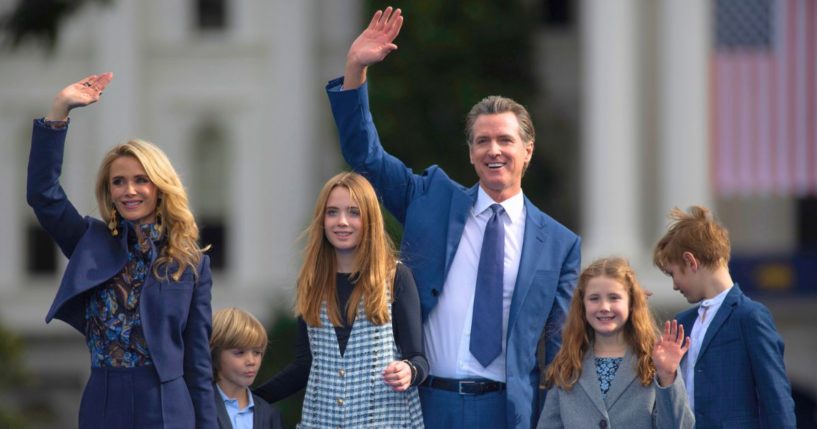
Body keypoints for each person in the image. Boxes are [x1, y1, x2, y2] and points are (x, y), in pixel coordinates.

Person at [325, 7, 581, 429]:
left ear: (528, 150)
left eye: (505, 140)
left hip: (506, 412)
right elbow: (364, 157)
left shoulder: (559, 244)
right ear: (470, 153)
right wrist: (356, 70)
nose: (493, 150)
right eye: (482, 141)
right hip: (421, 403)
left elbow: (561, 350)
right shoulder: (431, 198)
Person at [26, 73, 217, 428]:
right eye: (119, 181)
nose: (130, 190)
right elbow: (43, 195)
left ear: (160, 187)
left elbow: (198, 363)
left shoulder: (191, 263)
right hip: (104, 399)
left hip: (166, 405)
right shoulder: (89, 241)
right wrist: (59, 111)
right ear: (109, 191)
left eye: (141, 179)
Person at [254, 172, 426, 428]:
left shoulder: (396, 277)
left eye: (353, 212)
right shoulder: (312, 282)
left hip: (385, 420)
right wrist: (250, 399)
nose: (342, 221)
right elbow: (305, 365)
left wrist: (409, 371)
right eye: (332, 212)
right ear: (322, 220)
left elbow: (418, 359)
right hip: (320, 421)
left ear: (369, 219)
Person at [653, 206, 797, 428]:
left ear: (690, 261)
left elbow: (776, 398)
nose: (673, 286)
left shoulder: (750, 316)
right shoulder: (683, 323)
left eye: (673, 274)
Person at [537, 257, 695, 428]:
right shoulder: (567, 363)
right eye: (594, 298)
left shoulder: (654, 361)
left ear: (632, 303)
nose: (604, 307)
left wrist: (667, 377)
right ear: (582, 305)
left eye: (614, 297)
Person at [210, 307, 283, 429]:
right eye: (239, 352)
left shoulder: (270, 415)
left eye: (257, 352)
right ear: (215, 353)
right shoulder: (197, 406)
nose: (251, 361)